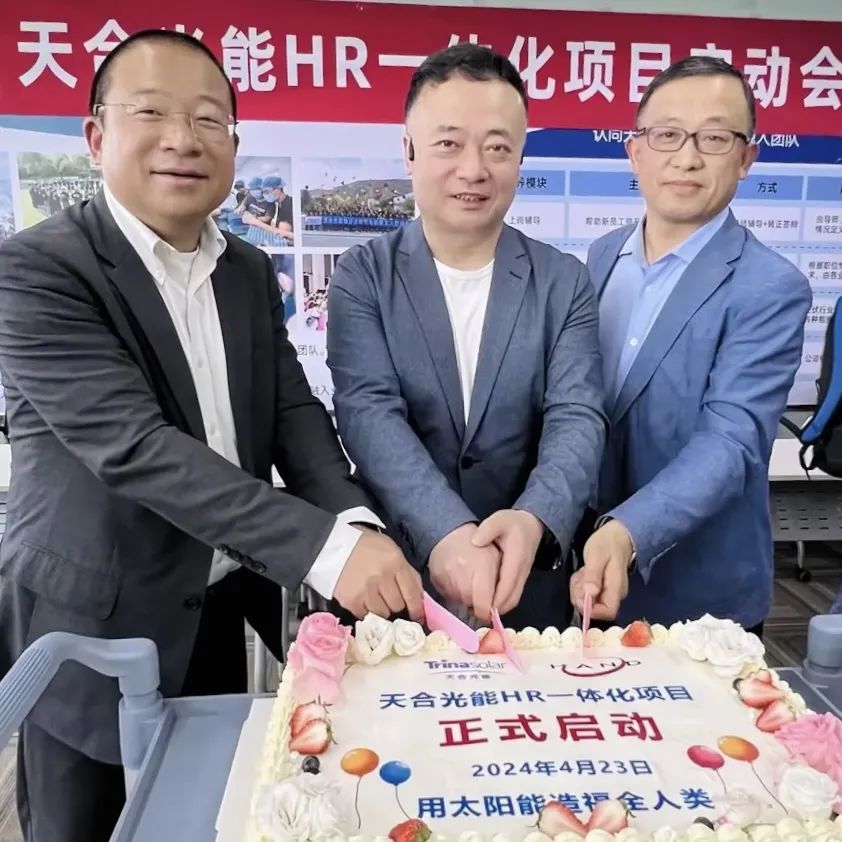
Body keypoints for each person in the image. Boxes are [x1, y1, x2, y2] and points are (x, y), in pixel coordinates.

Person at [0, 29, 423, 842]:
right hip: (92, 629)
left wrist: (354, 522)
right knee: (85, 826)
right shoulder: (40, 270)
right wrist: (327, 550)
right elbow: (135, 448)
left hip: (216, 606)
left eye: (207, 119)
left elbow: (294, 415)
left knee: (206, 814)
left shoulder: (247, 271)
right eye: (151, 113)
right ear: (95, 136)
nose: (182, 140)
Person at [327, 44, 606, 629]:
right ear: (409, 150)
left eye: (498, 147)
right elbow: (369, 413)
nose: (474, 169)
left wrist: (536, 519)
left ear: (521, 157)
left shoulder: (563, 280)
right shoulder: (363, 274)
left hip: (524, 580)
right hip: (399, 581)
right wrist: (445, 530)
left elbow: (576, 416)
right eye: (449, 143)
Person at [570, 56, 812, 634]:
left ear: (747, 158)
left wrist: (627, 532)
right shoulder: (600, 256)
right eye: (667, 135)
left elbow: (731, 440)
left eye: (715, 138)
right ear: (635, 151)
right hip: (586, 581)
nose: (687, 157)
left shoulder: (770, 286)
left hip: (698, 599)